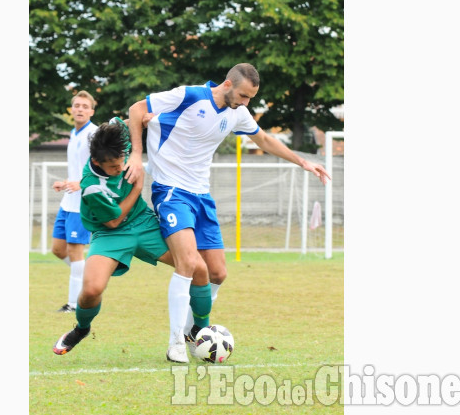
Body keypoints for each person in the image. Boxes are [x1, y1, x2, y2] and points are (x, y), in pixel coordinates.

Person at [126, 63, 331, 354]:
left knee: (218, 273)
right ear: (227, 84)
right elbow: (137, 109)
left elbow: (264, 139)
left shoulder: (238, 112)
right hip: (171, 191)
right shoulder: (190, 95)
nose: (246, 103)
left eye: (251, 98)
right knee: (188, 265)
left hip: (202, 196)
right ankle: (176, 345)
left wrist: (303, 162)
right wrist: (136, 155)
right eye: (244, 96)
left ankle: (193, 330)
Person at [52, 119, 211, 363]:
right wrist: (138, 186)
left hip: (144, 224)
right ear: (97, 162)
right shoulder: (91, 186)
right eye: (115, 167)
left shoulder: (115, 139)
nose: (121, 168)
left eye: (122, 161)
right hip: (111, 233)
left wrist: (141, 138)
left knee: (199, 269)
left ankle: (200, 331)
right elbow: (114, 221)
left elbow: (135, 115)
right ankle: (81, 328)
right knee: (91, 290)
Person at [51, 91, 98, 313]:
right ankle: (89, 277)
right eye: (76, 105)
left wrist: (82, 183)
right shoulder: (74, 133)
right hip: (67, 202)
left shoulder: (94, 134)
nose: (79, 109)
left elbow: (102, 169)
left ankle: (73, 304)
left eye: (84, 106)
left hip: (83, 204)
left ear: (91, 111)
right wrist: (67, 182)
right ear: (71, 109)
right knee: (58, 250)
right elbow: (78, 170)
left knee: (75, 251)